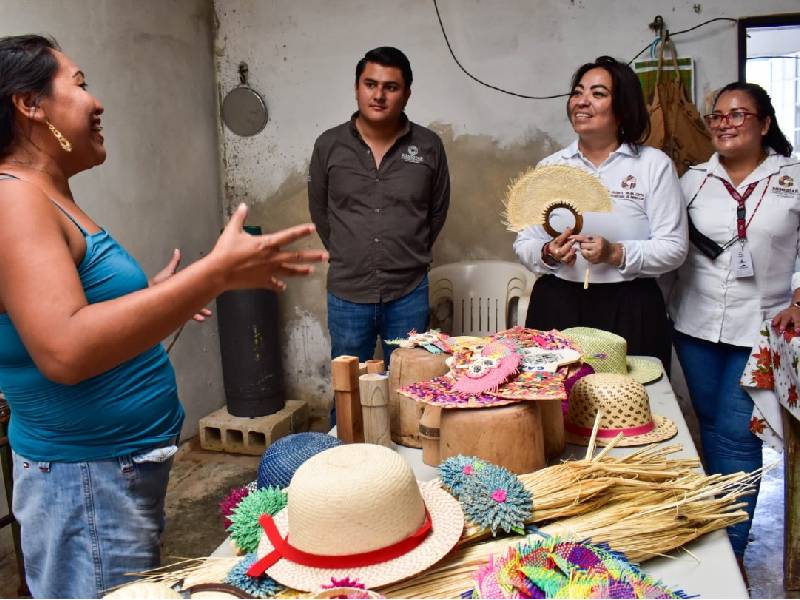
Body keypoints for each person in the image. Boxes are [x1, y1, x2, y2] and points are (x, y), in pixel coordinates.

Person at [0, 35, 327, 598]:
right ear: (29, 104)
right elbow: (64, 349)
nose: (96, 101)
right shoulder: (13, 200)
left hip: (107, 477)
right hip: (84, 484)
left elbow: (76, 313)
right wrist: (215, 275)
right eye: (78, 84)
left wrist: (159, 295)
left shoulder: (47, 194)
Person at [669, 81, 799, 562]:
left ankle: (730, 556)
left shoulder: (792, 177)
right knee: (711, 428)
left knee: (736, 435)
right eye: (718, 115)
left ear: (764, 123)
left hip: (761, 331)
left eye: (738, 114)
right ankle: (717, 536)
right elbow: (671, 246)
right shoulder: (693, 180)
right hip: (695, 325)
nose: (724, 122)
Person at [514, 56, 688, 373]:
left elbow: (674, 248)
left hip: (631, 307)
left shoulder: (652, 164)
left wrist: (616, 253)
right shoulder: (551, 168)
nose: (582, 101)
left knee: (630, 405)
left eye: (597, 93)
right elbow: (525, 242)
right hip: (559, 304)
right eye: (578, 92)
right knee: (555, 404)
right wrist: (548, 253)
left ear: (622, 107)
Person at [308, 46, 450, 372]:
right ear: (357, 87)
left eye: (391, 87)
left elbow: (437, 211)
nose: (378, 95)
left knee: (409, 388)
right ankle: (342, 428)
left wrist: (406, 252)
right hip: (348, 291)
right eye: (370, 84)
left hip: (409, 291)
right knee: (348, 392)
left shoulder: (428, 146)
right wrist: (349, 252)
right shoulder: (328, 145)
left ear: (407, 94)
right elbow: (321, 211)